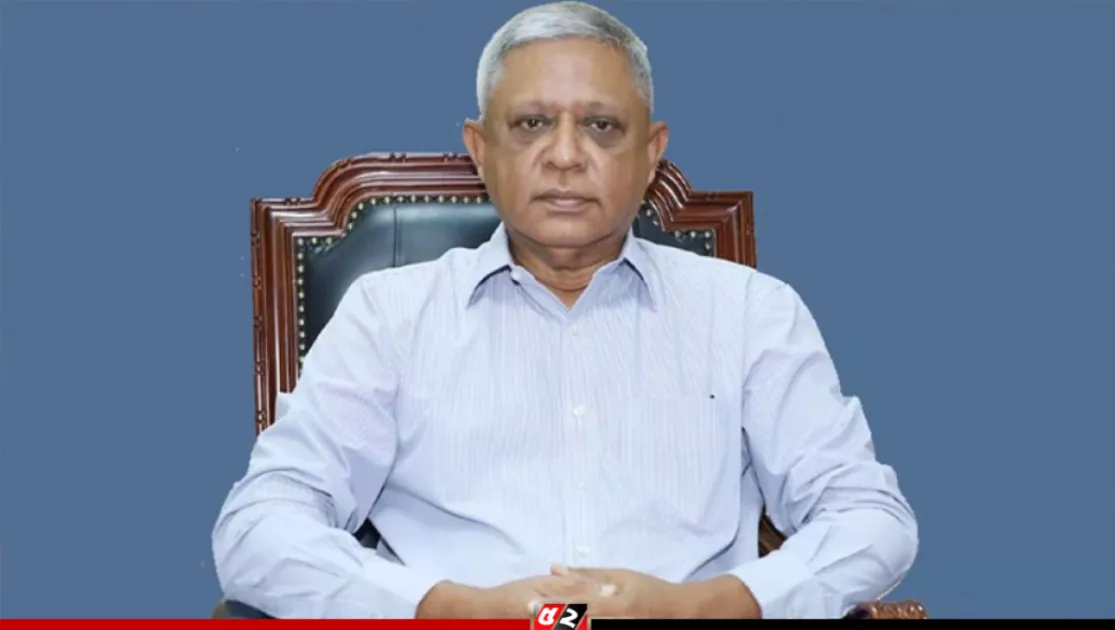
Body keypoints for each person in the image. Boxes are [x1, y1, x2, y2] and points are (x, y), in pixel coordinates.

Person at [211, 0, 918, 620]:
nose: (566, 156)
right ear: (481, 149)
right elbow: (257, 529)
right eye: (531, 124)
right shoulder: (388, 318)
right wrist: (447, 607)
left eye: (602, 126)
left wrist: (709, 607)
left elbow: (870, 518)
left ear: (651, 152)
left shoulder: (748, 313)